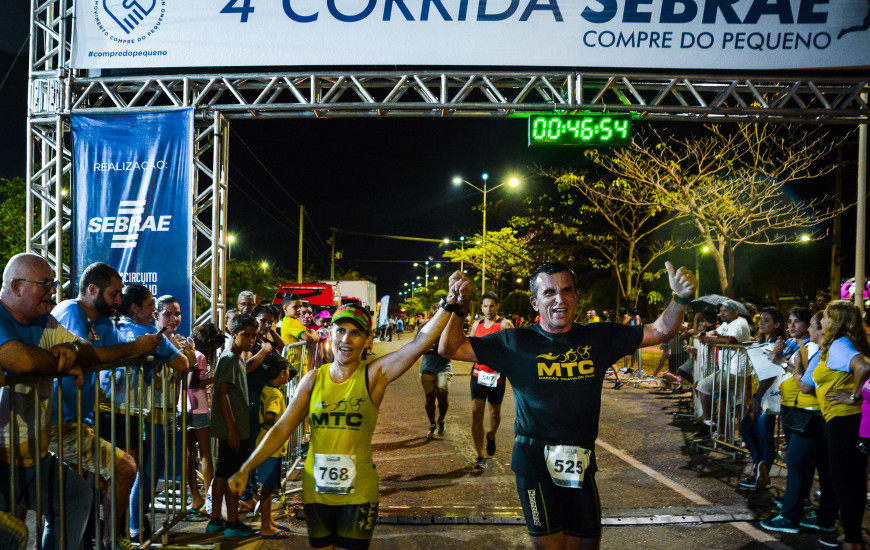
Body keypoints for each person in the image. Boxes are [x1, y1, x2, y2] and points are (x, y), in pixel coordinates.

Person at [439, 262, 696, 550]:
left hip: (580, 465)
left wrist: (681, 298)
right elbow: (450, 348)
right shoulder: (515, 341)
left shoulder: (598, 337)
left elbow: (660, 331)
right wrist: (458, 307)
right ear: (535, 302)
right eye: (549, 292)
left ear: (576, 297)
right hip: (535, 462)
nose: (559, 299)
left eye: (566, 290)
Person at [229, 293, 459, 550]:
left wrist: (449, 306)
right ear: (331, 334)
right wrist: (247, 467)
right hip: (315, 491)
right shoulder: (313, 380)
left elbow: (420, 343)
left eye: (355, 333)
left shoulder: (374, 375)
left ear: (367, 340)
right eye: (340, 331)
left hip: (358, 493)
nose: (346, 339)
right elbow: (283, 427)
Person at [49, 262, 160, 549]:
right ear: (92, 289)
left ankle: (107, 539)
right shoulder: (69, 311)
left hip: (78, 422)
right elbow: (87, 355)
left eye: (121, 294)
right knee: (38, 498)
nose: (119, 301)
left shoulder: (104, 323)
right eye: (114, 294)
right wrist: (135, 348)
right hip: (47, 422)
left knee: (97, 482)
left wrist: (146, 349)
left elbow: (113, 356)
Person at [0, 253, 95, 550]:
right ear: (16, 286)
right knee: (13, 534)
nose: (53, 290)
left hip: (28, 453)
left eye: (53, 283)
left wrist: (71, 350)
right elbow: (20, 361)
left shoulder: (43, 320)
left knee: (76, 494)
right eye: (46, 284)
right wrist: (62, 362)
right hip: (4, 454)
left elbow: (87, 351)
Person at [110, 287, 190, 541]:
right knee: (141, 474)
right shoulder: (150, 337)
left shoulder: (175, 340)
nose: (172, 318)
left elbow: (185, 373)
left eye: (177, 314)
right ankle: (132, 530)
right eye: (165, 313)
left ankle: (131, 527)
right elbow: (173, 372)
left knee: (145, 473)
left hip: (158, 412)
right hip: (144, 413)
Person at [802, 301, 870, 549]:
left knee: (843, 479)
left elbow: (864, 367)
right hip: (845, 420)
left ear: (837, 321)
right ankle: (851, 533)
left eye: (827, 317)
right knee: (851, 479)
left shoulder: (841, 345)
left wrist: (853, 396)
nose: (822, 321)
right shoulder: (840, 344)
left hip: (845, 419)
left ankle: (852, 539)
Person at [760, 312, 835, 536]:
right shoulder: (821, 348)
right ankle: (824, 518)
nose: (809, 331)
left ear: (825, 329)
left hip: (813, 413)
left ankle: (791, 517)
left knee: (797, 463)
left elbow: (805, 385)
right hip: (817, 414)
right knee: (822, 468)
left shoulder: (822, 350)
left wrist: (787, 364)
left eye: (812, 326)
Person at [206, 313, 259, 538]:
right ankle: (232, 523)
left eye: (254, 336)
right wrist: (233, 428)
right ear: (234, 334)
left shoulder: (235, 357)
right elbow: (221, 394)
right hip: (233, 430)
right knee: (232, 475)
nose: (250, 340)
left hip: (234, 429)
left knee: (223, 472)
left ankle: (217, 520)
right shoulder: (229, 358)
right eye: (246, 335)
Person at [737, 306, 786, 490]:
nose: (761, 323)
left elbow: (770, 374)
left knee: (762, 434)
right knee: (748, 429)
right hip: (761, 395)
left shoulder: (775, 344)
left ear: (777, 324)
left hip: (766, 396)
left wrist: (757, 397)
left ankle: (761, 473)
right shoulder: (764, 341)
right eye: (761, 320)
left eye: (767, 320)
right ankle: (760, 470)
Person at [468, 292, 514, 469]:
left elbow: (513, 348)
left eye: (492, 306)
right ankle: (480, 455)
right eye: (485, 306)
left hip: (497, 376)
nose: (488, 309)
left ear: (497, 307)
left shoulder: (504, 325)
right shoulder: (476, 325)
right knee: (475, 413)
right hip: (478, 374)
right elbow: (471, 348)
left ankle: (492, 435)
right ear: (481, 307)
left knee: (494, 413)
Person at [694, 300, 752, 439]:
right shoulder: (727, 324)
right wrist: (706, 334)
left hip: (736, 370)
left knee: (702, 386)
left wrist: (710, 340)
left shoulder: (740, 322)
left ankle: (708, 425)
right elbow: (716, 331)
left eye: (725, 310)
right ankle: (743, 439)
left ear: (735, 311)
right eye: (721, 310)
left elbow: (730, 340)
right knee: (738, 405)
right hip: (730, 368)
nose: (721, 313)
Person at [185, 322, 224, 520]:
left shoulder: (191, 354)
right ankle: (209, 499)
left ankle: (196, 498)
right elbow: (193, 383)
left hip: (183, 406)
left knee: (189, 455)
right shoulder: (198, 356)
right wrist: (214, 380)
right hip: (198, 406)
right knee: (205, 453)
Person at [254, 353, 292, 539]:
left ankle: (269, 521)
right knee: (267, 489)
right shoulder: (276, 394)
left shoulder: (266, 389)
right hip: (271, 447)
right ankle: (265, 526)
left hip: (266, 445)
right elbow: (270, 417)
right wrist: (279, 428)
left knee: (268, 488)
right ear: (283, 374)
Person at [420, 302, 452, 439]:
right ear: (431, 311)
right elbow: (417, 345)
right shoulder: (424, 326)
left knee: (442, 395)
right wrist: (425, 347)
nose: (437, 311)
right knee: (430, 398)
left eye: (440, 309)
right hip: (427, 366)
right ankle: (432, 424)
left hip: (444, 365)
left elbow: (454, 345)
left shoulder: (449, 327)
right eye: (435, 309)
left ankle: (442, 419)